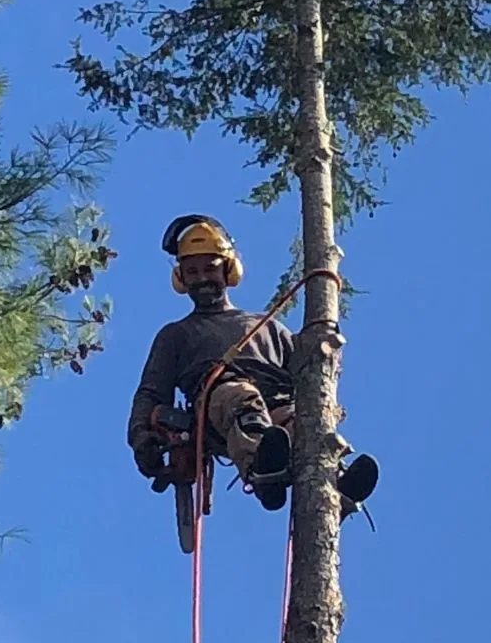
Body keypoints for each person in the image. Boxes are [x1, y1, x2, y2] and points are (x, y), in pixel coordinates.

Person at [127, 214, 378, 515]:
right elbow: (151, 393)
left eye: (210, 268)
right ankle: (261, 469)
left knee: (300, 421)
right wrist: (142, 439)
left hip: (277, 402)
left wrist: (323, 347)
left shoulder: (268, 327)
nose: (202, 278)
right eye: (192, 272)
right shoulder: (176, 334)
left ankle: (336, 480)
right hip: (220, 402)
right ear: (181, 278)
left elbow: (307, 373)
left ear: (229, 269)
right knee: (242, 398)